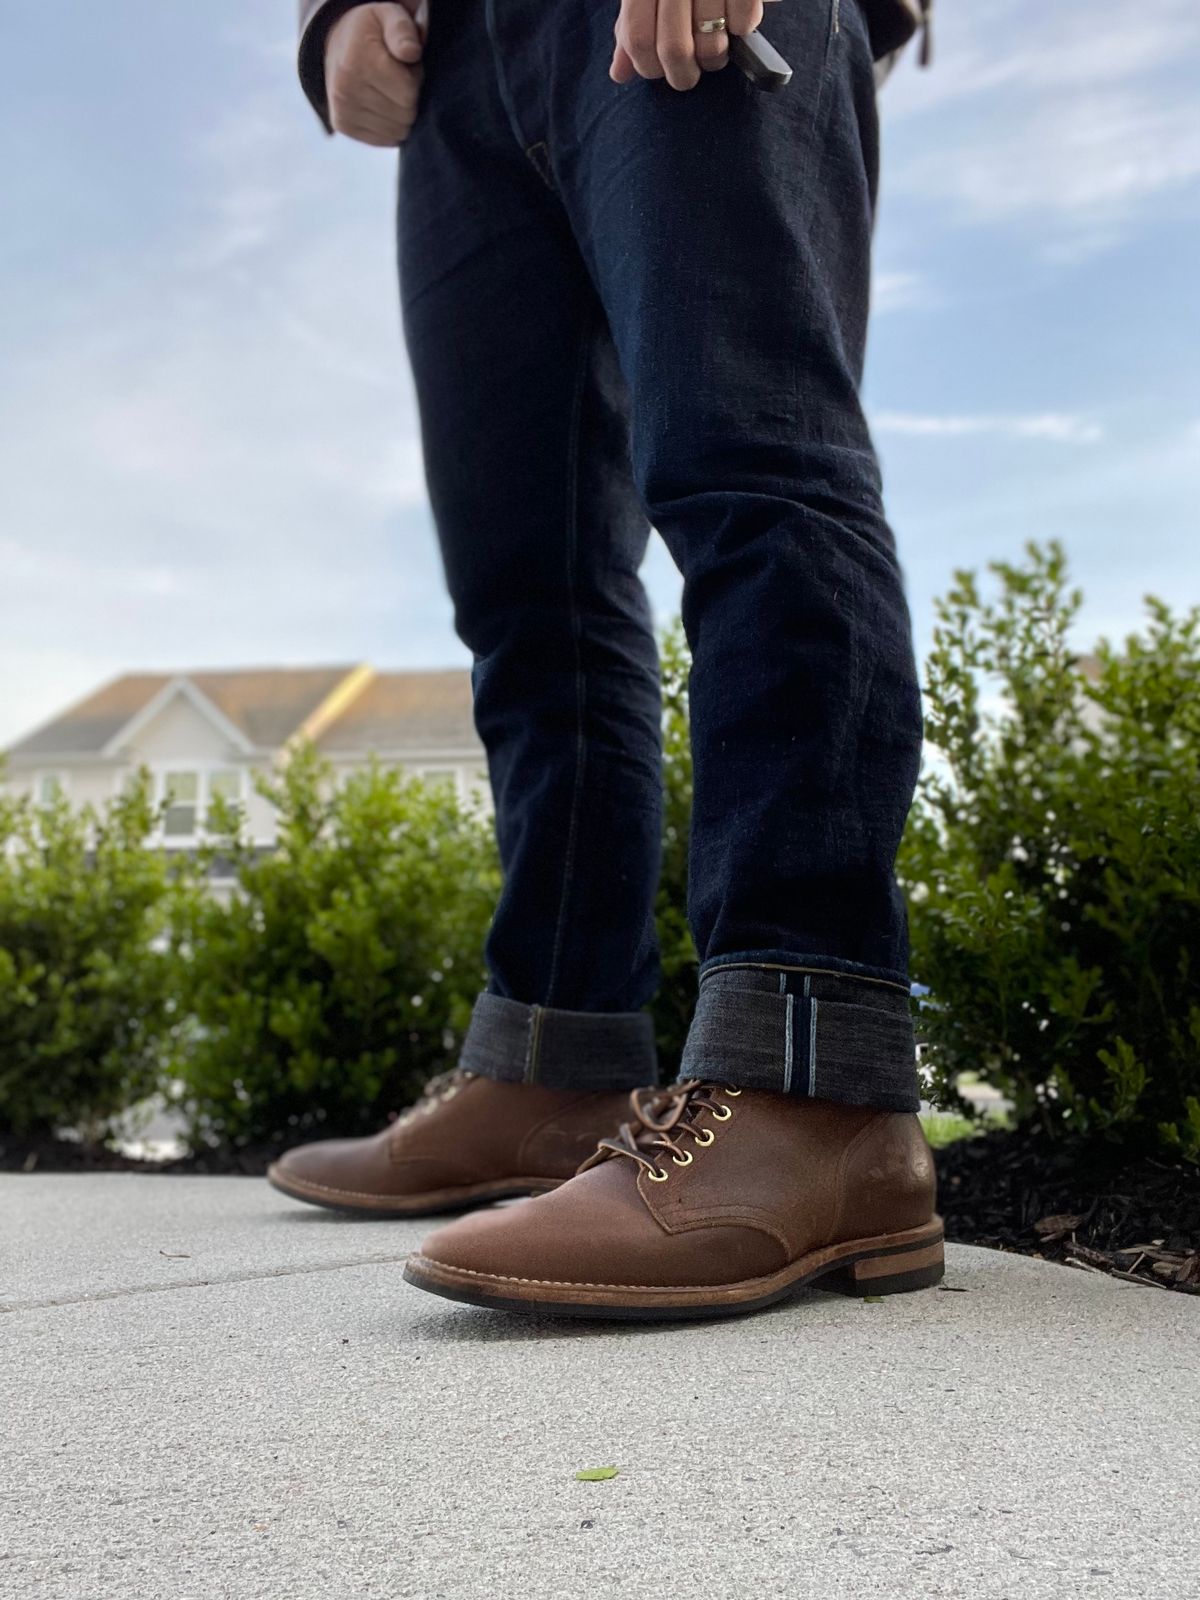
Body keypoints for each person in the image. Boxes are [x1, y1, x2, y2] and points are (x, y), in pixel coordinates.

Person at [270, 0, 942, 1319]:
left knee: (752, 466)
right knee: (529, 591)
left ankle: (817, 1092)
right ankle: (554, 1063)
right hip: (457, 56)